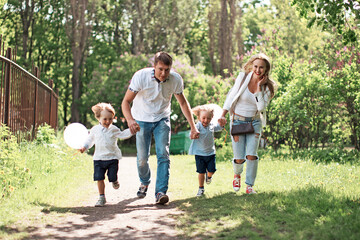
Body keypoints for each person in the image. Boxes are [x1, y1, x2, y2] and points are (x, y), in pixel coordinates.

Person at [121, 52, 199, 205]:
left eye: (167, 70)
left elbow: (183, 103)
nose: (164, 73)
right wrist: (130, 120)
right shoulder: (141, 77)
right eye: (160, 69)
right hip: (141, 120)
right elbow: (126, 102)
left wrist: (193, 127)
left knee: (163, 154)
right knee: (142, 158)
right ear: (154, 67)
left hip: (162, 119)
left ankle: (160, 192)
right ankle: (144, 182)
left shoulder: (175, 80)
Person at [218, 53, 276, 194]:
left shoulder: (268, 86)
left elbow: (261, 108)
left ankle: (249, 186)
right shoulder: (243, 77)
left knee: (251, 155)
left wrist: (258, 90)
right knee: (239, 157)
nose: (258, 70)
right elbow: (231, 95)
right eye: (256, 66)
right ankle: (237, 175)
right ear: (251, 65)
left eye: (261, 67)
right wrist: (223, 114)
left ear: (266, 69)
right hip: (237, 121)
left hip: (254, 122)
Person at [80, 102, 132, 207]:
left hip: (112, 158)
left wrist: (132, 130)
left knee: (112, 177)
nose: (108, 121)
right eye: (105, 119)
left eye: (110, 119)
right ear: (98, 118)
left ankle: (114, 180)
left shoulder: (114, 129)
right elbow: (90, 140)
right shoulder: (95, 130)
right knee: (99, 178)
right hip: (98, 159)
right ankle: (101, 197)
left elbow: (123, 135)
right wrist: (84, 147)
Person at [188, 104, 225, 197]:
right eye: (203, 118)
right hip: (200, 154)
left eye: (208, 118)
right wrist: (193, 135)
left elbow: (219, 128)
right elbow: (192, 133)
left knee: (211, 170)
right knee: (201, 172)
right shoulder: (198, 126)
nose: (206, 120)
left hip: (210, 153)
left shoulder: (212, 125)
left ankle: (209, 177)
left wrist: (222, 124)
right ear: (199, 117)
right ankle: (201, 188)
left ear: (212, 117)